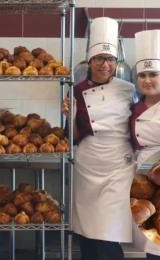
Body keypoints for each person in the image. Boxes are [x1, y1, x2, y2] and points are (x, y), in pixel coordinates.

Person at [62, 17, 136, 260]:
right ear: (90, 61)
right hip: (88, 164)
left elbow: (139, 124)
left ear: (116, 62)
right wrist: (70, 116)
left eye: (110, 59)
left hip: (119, 166)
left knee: (110, 231)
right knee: (87, 232)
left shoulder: (128, 89)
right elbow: (70, 137)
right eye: (100, 59)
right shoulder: (76, 90)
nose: (105, 64)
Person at [130, 29, 160, 260]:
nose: (147, 80)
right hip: (143, 186)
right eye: (143, 75)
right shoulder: (134, 108)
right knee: (153, 241)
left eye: (153, 74)